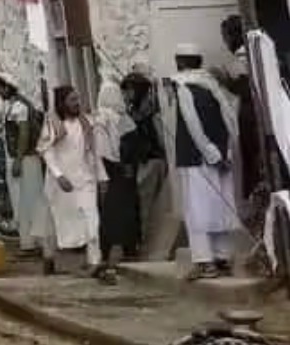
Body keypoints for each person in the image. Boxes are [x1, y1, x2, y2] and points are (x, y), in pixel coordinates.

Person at [172, 42, 242, 279]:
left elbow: (193, 125)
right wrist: (226, 153)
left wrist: (211, 154)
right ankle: (222, 257)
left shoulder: (183, 87)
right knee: (218, 208)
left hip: (197, 158)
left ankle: (205, 262)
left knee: (197, 210)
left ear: (180, 62)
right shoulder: (213, 85)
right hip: (220, 156)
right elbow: (231, 121)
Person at [38, 86, 113, 282]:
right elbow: (47, 151)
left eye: (77, 99)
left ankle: (95, 262)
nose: (77, 103)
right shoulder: (53, 123)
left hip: (85, 181)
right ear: (62, 103)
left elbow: (93, 153)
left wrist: (102, 177)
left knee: (92, 220)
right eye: (72, 100)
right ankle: (49, 257)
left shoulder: (86, 123)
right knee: (54, 222)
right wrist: (59, 175)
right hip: (60, 184)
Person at [0, 73, 47, 258]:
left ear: (6, 88)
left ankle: (32, 243)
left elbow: (24, 133)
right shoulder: (12, 105)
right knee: (22, 200)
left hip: (25, 159)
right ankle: (30, 242)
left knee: (27, 200)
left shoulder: (19, 106)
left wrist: (18, 160)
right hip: (19, 158)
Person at [120, 66, 168, 256]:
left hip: (151, 161)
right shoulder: (133, 110)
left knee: (147, 204)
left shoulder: (150, 112)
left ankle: (149, 242)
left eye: (129, 90)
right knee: (141, 203)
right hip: (140, 162)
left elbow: (160, 139)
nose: (126, 94)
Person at [216, 15, 261, 209]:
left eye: (225, 37)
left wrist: (224, 80)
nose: (225, 42)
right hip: (258, 116)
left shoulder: (239, 60)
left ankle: (260, 207)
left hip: (250, 117)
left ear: (233, 36)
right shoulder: (257, 52)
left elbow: (246, 90)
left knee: (253, 162)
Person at [94, 80, 139, 269]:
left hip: (113, 169)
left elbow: (102, 150)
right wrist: (124, 165)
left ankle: (109, 251)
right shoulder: (118, 119)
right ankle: (127, 248)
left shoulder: (104, 118)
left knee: (111, 210)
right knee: (123, 208)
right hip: (120, 170)